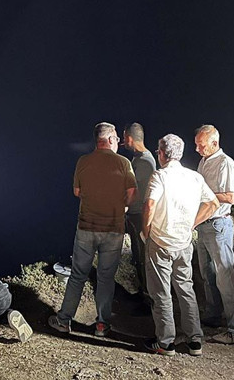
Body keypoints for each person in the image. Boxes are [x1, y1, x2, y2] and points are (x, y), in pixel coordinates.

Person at [49, 122, 137, 337]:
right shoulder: (124, 163)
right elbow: (132, 194)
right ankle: (101, 325)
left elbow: (77, 191)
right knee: (106, 278)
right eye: (116, 138)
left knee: (78, 275)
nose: (118, 142)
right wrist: (118, 205)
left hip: (86, 228)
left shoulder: (83, 161)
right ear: (108, 139)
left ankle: (64, 320)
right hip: (113, 229)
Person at [142, 134, 219, 357]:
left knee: (161, 293)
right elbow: (213, 203)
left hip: (160, 242)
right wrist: (192, 224)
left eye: (158, 151)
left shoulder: (160, 176)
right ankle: (195, 340)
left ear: (162, 154)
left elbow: (149, 205)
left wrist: (147, 233)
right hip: (184, 242)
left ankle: (165, 343)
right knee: (186, 288)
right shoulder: (194, 178)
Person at [193, 125, 234, 345]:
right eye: (196, 144)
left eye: (201, 145)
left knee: (225, 277)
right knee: (207, 273)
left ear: (214, 143)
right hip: (204, 224)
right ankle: (213, 316)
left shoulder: (225, 164)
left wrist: (203, 194)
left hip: (219, 225)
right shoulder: (204, 161)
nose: (197, 149)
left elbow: (230, 197)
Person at [122, 122, 157, 298]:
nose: (123, 142)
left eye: (123, 138)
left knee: (143, 259)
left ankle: (148, 297)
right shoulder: (140, 158)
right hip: (136, 214)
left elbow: (134, 190)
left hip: (139, 216)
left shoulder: (143, 161)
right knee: (139, 257)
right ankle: (146, 294)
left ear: (129, 138)